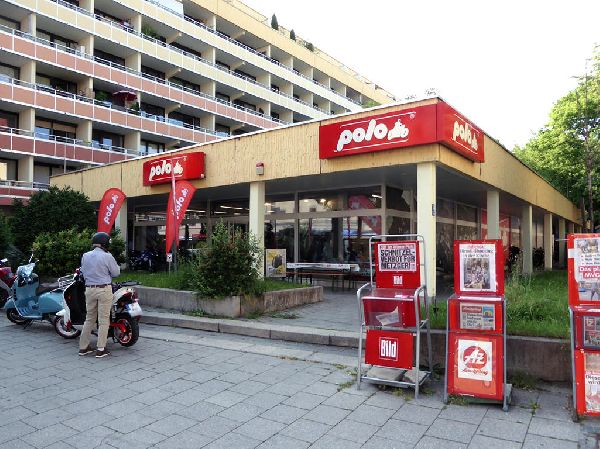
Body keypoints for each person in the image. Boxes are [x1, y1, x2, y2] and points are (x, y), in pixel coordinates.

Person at [78, 232, 120, 358]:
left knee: (89, 319)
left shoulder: (85, 255)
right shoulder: (107, 256)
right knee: (103, 320)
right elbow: (116, 273)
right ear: (105, 244)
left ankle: (83, 347)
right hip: (104, 289)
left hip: (89, 289)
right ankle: (101, 349)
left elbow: (83, 272)